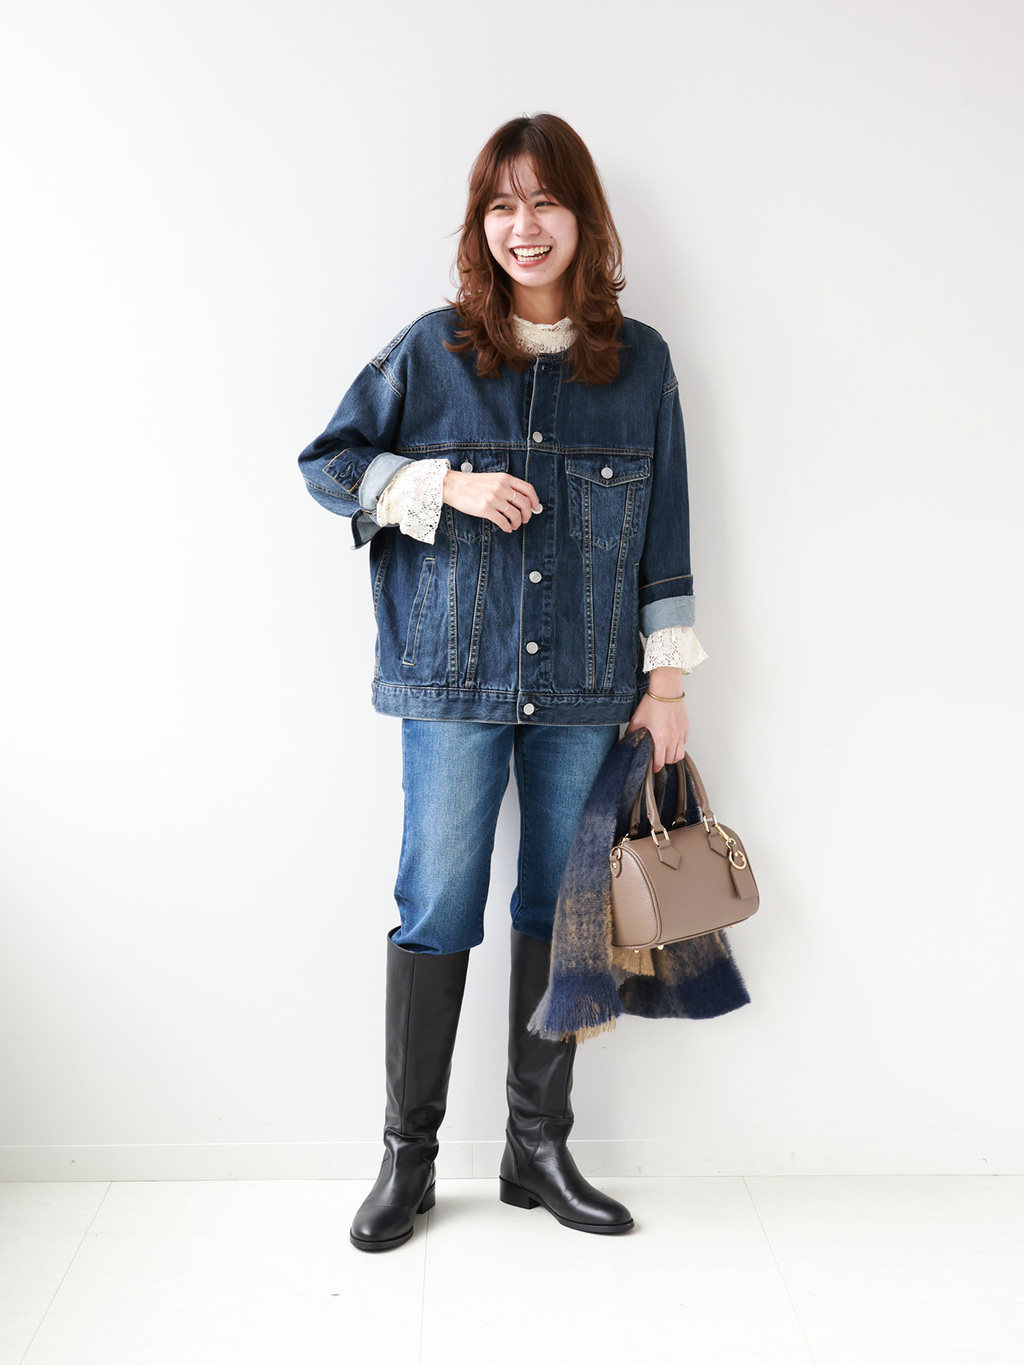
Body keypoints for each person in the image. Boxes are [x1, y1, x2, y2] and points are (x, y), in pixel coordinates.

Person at [297, 113, 708, 1252]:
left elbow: (666, 532)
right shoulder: (432, 351)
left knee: (558, 911)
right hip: (451, 680)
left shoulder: (640, 362)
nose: (524, 226)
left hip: (587, 685)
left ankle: (538, 1147)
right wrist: (441, 483)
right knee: (437, 905)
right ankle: (408, 1158)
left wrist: (667, 683)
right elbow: (329, 465)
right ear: (482, 223)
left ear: (584, 218)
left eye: (545, 201)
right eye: (501, 204)